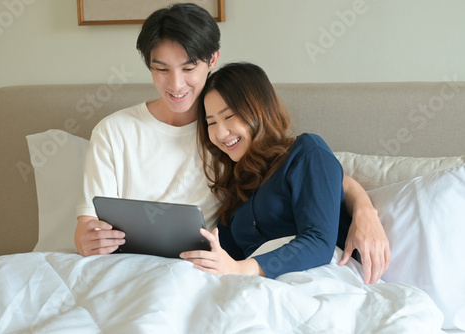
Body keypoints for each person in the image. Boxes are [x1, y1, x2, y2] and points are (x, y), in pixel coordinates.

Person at [74, 3, 389, 284]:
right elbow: (87, 226)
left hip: (276, 277)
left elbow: (317, 178)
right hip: (168, 273)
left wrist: (364, 208)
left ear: (212, 60)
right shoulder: (118, 132)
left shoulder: (272, 150)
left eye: (188, 68)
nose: (176, 84)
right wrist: (86, 239)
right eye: (161, 69)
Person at [181, 62, 356, 278]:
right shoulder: (235, 189)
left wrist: (242, 269)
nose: (221, 132)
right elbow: (225, 261)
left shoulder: (306, 153)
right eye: (211, 123)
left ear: (259, 110)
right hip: (252, 288)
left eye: (228, 117)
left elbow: (319, 242)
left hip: (317, 277)